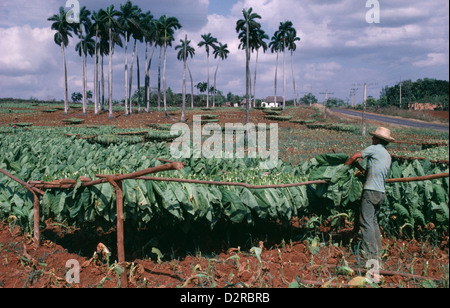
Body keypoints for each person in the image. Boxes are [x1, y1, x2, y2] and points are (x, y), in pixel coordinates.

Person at [345, 127, 395, 261]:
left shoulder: (375, 148)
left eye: (374, 137)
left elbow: (354, 156)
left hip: (371, 190)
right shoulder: (386, 155)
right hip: (381, 192)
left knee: (365, 221)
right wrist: (360, 168)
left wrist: (343, 169)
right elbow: (372, 172)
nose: (372, 139)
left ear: (379, 139)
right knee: (373, 221)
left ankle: (371, 255)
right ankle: (378, 250)